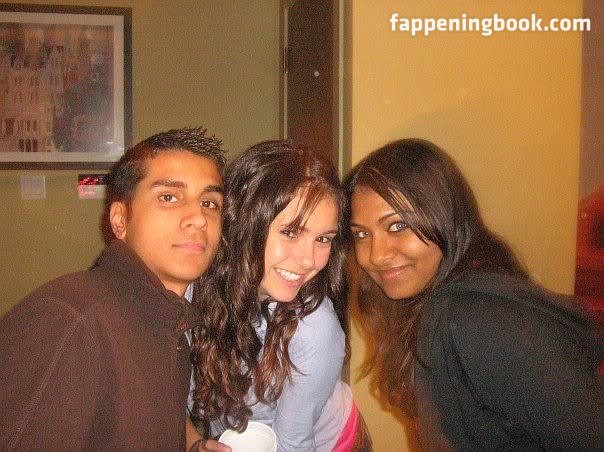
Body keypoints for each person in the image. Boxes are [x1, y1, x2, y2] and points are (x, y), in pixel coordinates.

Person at [345, 138, 604, 450]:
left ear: (445, 216)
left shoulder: (478, 321)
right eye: (362, 234)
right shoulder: (432, 308)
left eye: (398, 226)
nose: (376, 255)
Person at [0, 127, 232, 449]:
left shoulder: (171, 321)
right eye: (169, 197)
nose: (199, 218)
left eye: (209, 203)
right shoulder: (70, 322)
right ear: (120, 220)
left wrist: (192, 446)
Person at [190, 140, 372, 451]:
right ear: (244, 224)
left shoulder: (315, 329)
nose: (308, 260)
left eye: (323, 239)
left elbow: (295, 443)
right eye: (291, 232)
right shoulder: (194, 288)